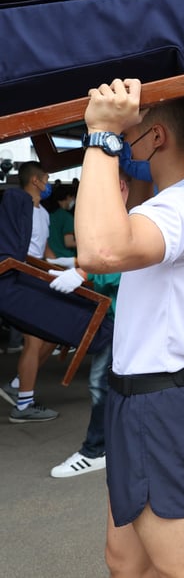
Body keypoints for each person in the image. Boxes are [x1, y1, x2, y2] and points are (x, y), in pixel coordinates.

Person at [76, 78, 184, 576]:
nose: (125, 142)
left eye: (130, 132)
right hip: (139, 398)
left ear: (155, 137)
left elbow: (100, 250)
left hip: (158, 405)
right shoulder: (168, 205)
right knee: (124, 560)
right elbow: (110, 248)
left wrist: (100, 133)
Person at [47, 170, 130, 478]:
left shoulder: (132, 219)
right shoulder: (115, 219)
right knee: (117, 384)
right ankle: (111, 445)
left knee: (105, 384)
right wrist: (80, 267)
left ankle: (97, 450)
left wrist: (84, 273)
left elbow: (124, 264)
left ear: (119, 186)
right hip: (116, 317)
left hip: (126, 321)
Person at [3, 161, 61, 423]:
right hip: (22, 279)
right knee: (34, 339)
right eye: (46, 179)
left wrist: (64, 266)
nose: (48, 184)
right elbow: (17, 249)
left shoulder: (44, 213)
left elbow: (44, 249)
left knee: (54, 334)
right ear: (36, 181)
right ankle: (24, 404)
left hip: (38, 278)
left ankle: (17, 383)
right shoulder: (18, 208)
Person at [47, 184, 77, 259]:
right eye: (73, 198)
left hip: (50, 255)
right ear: (68, 197)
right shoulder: (67, 217)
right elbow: (69, 243)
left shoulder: (49, 214)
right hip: (65, 257)